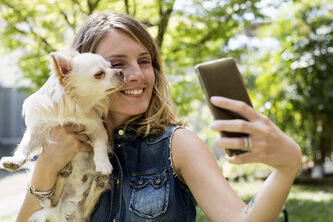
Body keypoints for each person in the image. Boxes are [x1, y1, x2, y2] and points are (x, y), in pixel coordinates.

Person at [16, 13, 302, 222]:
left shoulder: (177, 145)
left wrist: (286, 168)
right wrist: (47, 165)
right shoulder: (59, 141)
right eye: (116, 65)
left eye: (145, 61)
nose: (137, 75)